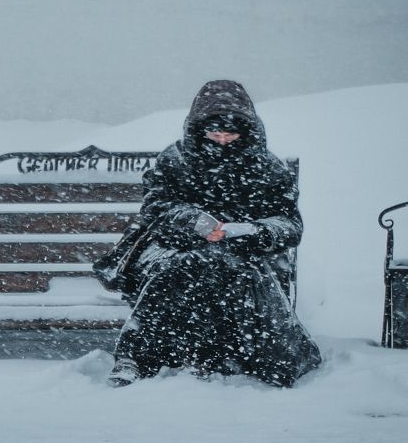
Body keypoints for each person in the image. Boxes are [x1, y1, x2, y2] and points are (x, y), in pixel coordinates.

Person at [105, 79, 321, 388]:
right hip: (173, 246)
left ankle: (261, 358)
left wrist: (253, 232)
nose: (221, 141)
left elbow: (289, 224)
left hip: (246, 252)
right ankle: (135, 358)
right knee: (179, 268)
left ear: (245, 131)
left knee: (242, 273)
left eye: (230, 135)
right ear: (198, 129)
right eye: (214, 134)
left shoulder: (267, 168)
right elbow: (155, 208)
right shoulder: (175, 159)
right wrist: (194, 222)